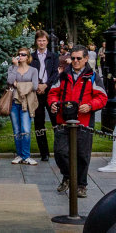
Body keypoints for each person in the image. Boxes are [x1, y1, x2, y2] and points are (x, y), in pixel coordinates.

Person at [48, 45, 108, 198]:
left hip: (84, 122)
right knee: (60, 152)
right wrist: (53, 103)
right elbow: (53, 93)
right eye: (73, 58)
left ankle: (81, 185)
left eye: (79, 58)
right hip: (63, 120)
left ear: (86, 59)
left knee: (82, 155)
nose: (75, 61)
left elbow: (102, 97)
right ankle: (68, 176)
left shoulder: (92, 76)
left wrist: (90, 106)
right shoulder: (62, 75)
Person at [7, 47, 39, 165]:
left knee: (25, 130)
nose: (20, 56)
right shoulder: (12, 68)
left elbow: (35, 86)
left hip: (26, 103)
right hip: (14, 102)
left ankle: (26, 156)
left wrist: (18, 85)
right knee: (17, 130)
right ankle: (19, 155)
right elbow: (10, 81)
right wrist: (15, 67)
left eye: (23, 54)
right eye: (19, 54)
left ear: (28, 57)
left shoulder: (33, 70)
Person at [31, 30, 59, 161]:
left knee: (55, 119)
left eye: (43, 40)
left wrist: (46, 85)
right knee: (38, 122)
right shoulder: (32, 57)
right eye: (39, 40)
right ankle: (44, 153)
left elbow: (55, 73)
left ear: (47, 41)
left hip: (49, 91)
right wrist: (37, 86)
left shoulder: (53, 56)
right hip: (36, 91)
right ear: (36, 42)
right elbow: (29, 73)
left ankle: (59, 150)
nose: (41, 43)